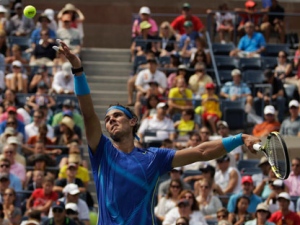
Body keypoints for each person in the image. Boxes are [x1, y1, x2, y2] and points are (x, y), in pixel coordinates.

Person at [52, 39, 260, 225]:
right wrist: (78, 69)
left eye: (117, 116)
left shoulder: (153, 158)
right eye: (107, 119)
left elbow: (202, 152)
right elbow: (88, 115)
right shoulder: (101, 151)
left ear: (133, 121)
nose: (111, 121)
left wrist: (240, 138)